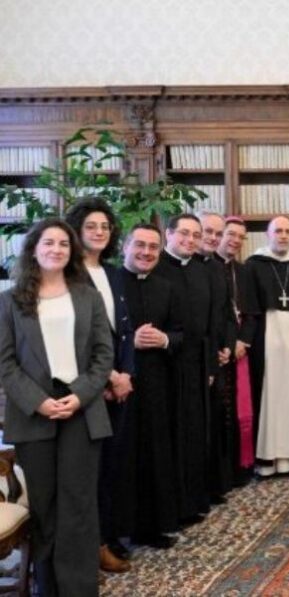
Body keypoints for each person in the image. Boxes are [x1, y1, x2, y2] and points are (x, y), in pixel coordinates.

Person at [0, 219, 113, 596]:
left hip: (82, 410)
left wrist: (79, 395)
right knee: (45, 507)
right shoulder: (10, 300)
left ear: (72, 251)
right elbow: (6, 363)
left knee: (78, 506)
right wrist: (40, 402)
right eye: (48, 242)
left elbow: (103, 356)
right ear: (34, 249)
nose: (56, 249)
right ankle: (47, 588)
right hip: (35, 414)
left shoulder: (88, 296)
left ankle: (79, 589)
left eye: (64, 243)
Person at [64, 198, 134, 573]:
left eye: (105, 227)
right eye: (91, 226)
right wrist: (108, 376)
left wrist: (126, 374)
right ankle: (90, 548)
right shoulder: (68, 275)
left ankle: (107, 540)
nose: (99, 232)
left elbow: (125, 330)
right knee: (87, 473)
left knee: (111, 468)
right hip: (87, 387)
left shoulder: (114, 273)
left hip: (119, 385)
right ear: (76, 229)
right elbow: (82, 337)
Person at [114, 224, 182, 550]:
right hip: (117, 385)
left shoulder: (167, 287)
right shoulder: (109, 283)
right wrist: (130, 341)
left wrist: (165, 338)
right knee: (121, 457)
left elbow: (182, 333)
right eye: (139, 245)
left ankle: (150, 527)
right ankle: (114, 533)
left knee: (155, 455)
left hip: (156, 383)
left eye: (153, 247)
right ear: (125, 246)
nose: (146, 252)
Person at [151, 213, 217, 523]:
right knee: (169, 438)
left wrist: (212, 361)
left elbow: (210, 321)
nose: (190, 240)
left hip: (197, 364)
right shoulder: (155, 268)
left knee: (194, 434)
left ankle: (192, 503)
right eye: (184, 234)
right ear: (169, 234)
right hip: (164, 366)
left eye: (195, 235)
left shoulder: (203, 271)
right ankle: (169, 509)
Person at [238, 217, 289, 479]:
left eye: (287, 231)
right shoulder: (253, 266)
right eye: (277, 231)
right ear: (268, 235)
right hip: (267, 334)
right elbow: (249, 308)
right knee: (269, 395)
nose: (283, 236)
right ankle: (266, 460)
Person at [197, 211, 236, 500]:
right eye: (207, 232)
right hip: (193, 359)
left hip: (216, 358)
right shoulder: (173, 268)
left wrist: (226, 346)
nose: (212, 238)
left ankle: (214, 485)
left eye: (217, 234)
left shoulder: (216, 269)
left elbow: (225, 314)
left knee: (215, 422)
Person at [217, 217, 255, 483]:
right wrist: (227, 346)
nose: (235, 241)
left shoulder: (243, 271)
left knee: (237, 408)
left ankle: (239, 469)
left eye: (241, 237)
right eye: (231, 234)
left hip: (239, 349)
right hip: (218, 350)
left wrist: (243, 342)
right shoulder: (206, 267)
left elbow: (252, 312)